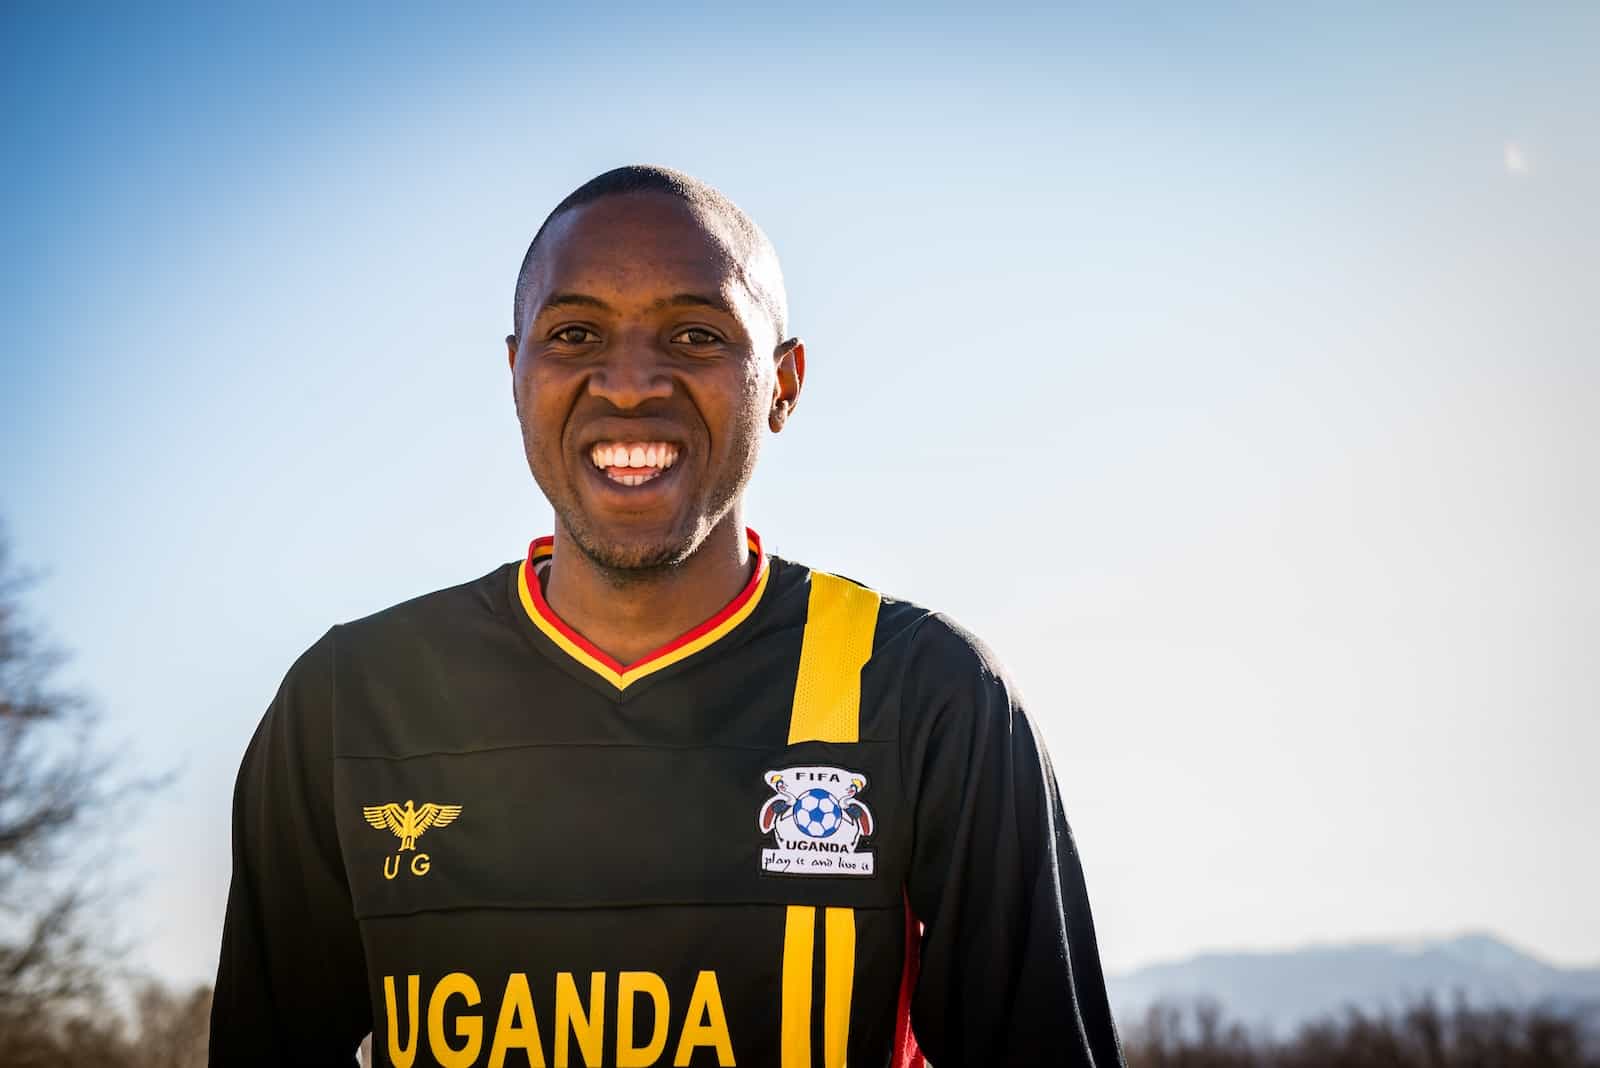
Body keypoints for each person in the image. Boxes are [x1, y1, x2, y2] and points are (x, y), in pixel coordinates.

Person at [210, 165, 1125, 1068]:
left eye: (695, 334)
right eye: (574, 334)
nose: (631, 383)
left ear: (784, 383)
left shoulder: (926, 695)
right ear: (516, 373)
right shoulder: (350, 700)